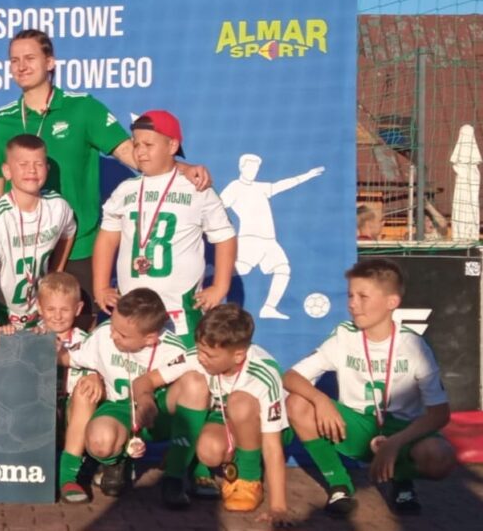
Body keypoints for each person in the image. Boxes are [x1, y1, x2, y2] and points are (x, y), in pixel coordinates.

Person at [0, 30, 211, 321]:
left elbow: (128, 151)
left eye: (29, 58)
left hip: (78, 245)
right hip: (21, 252)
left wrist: (183, 168)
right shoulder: (1, 120)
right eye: (14, 60)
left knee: (79, 331)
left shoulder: (83, 108)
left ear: (50, 62)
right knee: (21, 337)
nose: (21, 66)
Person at [283, 259, 456, 517]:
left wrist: (395, 443)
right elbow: (290, 377)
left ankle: (401, 480)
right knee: (297, 403)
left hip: (401, 430)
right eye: (350, 295)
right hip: (356, 427)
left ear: (391, 302)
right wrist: (321, 400)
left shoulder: (414, 345)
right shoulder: (344, 336)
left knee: (440, 457)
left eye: (363, 296)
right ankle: (339, 485)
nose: (353, 304)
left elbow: (439, 414)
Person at [93, 110, 237, 348]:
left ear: (172, 146)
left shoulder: (196, 189)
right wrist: (101, 286)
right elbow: (107, 239)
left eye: (148, 144)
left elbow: (224, 237)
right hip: (132, 312)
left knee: (184, 366)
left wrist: (220, 286)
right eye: (136, 144)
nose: (140, 151)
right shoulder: (125, 190)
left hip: (179, 312)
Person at [57, 288, 205, 507]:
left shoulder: (174, 349)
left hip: (158, 414)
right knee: (98, 435)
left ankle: (174, 477)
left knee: (195, 384)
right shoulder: (104, 334)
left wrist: (148, 403)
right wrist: (42, 348)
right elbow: (69, 358)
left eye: (122, 335)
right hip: (119, 410)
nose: (113, 335)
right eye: (112, 326)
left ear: (150, 338)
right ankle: (111, 463)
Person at [191, 304, 291, 525]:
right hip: (226, 423)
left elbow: (273, 445)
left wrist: (278, 507)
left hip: (267, 429)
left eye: (208, 354)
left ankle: (248, 478)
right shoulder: (204, 353)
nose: (200, 358)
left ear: (238, 355)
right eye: (198, 350)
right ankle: (195, 466)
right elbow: (154, 378)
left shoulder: (264, 374)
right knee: (209, 450)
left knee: (239, 402)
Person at [0, 135, 76, 348]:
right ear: (7, 171)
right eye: (23, 164)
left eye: (38, 164)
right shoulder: (0, 217)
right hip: (1, 312)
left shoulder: (58, 206)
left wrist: (55, 273)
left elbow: (68, 232)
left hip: (39, 313)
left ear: (47, 169)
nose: (32, 170)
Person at [219, 153, 324, 319]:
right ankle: (208, 278)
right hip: (250, 239)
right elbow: (217, 207)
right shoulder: (234, 187)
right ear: (242, 167)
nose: (253, 171)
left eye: (256, 168)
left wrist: (307, 175)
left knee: (283, 269)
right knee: (241, 269)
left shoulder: (260, 187)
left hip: (269, 241)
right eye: (250, 167)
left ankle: (268, 308)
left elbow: (282, 185)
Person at [40, 272, 97, 503]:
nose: (57, 316)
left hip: (73, 411)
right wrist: (8, 335)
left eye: (64, 309)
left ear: (78, 308)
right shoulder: (30, 336)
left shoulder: (89, 341)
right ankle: (30, 470)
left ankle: (68, 476)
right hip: (40, 409)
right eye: (50, 309)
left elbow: (100, 368)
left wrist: (95, 377)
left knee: (86, 391)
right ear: (39, 308)